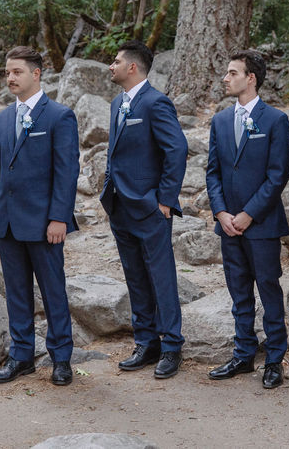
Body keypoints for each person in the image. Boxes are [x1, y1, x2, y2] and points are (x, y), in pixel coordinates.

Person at [0, 46, 79, 386]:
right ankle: (20, 356)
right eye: (7, 72)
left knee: (53, 292)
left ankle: (61, 358)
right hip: (7, 220)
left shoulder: (59, 116)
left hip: (44, 223)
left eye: (17, 72)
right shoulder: (3, 118)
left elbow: (67, 172)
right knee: (17, 292)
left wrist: (59, 218)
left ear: (36, 74)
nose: (10, 78)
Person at [101, 40, 188, 379]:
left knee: (160, 276)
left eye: (117, 61)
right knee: (135, 276)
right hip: (119, 204)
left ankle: (171, 346)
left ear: (132, 67)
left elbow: (177, 150)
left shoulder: (156, 103)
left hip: (151, 207)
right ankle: (146, 341)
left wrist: (165, 199)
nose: (112, 65)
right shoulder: (116, 104)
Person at [205, 50, 289, 389]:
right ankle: (242, 354)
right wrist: (221, 211)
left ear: (250, 78)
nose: (226, 78)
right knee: (238, 291)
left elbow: (277, 174)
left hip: (262, 224)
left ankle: (274, 360)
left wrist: (248, 214)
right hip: (228, 224)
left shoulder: (275, 120)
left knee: (268, 289)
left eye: (232, 72)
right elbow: (212, 171)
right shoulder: (221, 121)